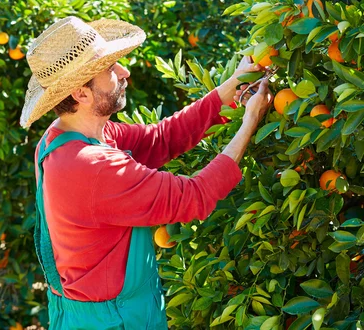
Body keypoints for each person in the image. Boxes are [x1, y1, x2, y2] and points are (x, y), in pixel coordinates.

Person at [20, 16, 272, 329]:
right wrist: (249, 122)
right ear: (81, 94)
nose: (124, 73)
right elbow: (193, 197)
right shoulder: (92, 166)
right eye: (111, 69)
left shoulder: (65, 136)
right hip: (115, 320)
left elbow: (160, 139)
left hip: (95, 313)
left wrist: (227, 91)